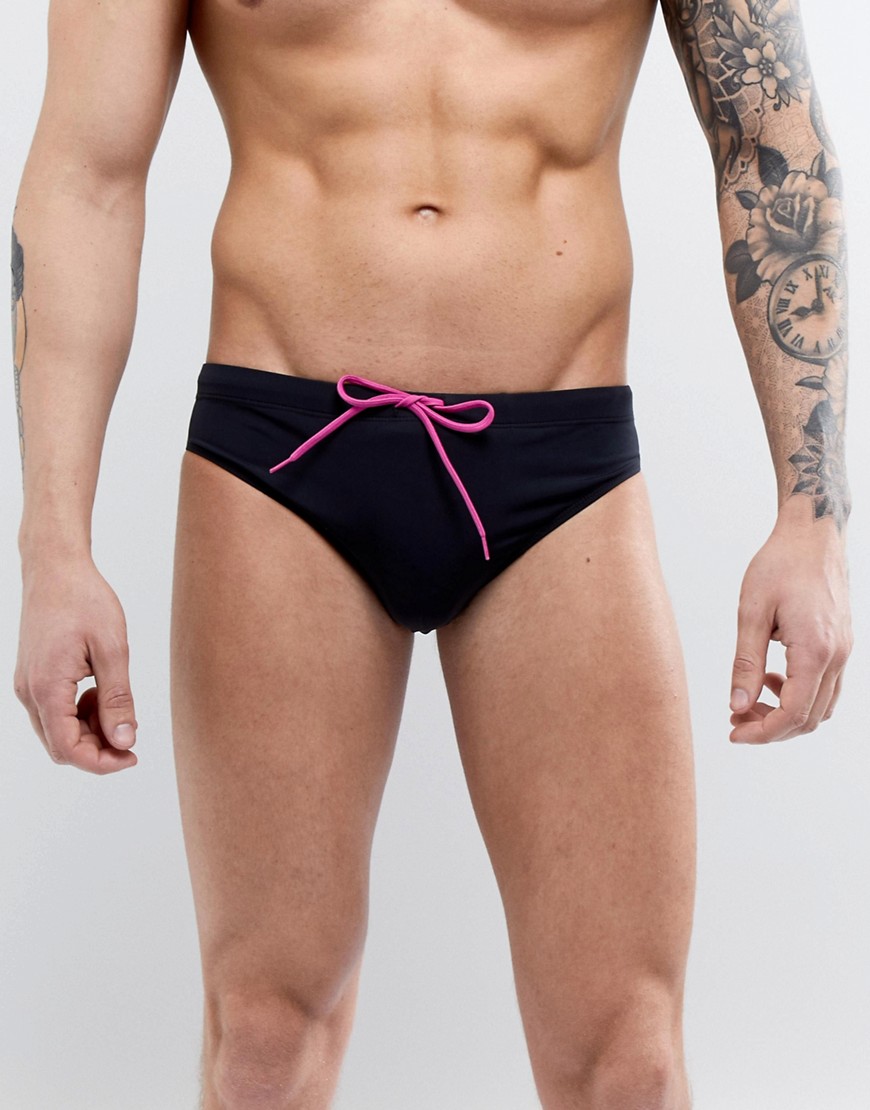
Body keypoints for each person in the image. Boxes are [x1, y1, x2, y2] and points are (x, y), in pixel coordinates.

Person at [11, 1, 852, 1107]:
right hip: (280, 454)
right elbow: (87, 175)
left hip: (561, 466)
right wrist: (54, 547)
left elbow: (768, 139)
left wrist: (812, 517)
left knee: (630, 1065)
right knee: (264, 1040)